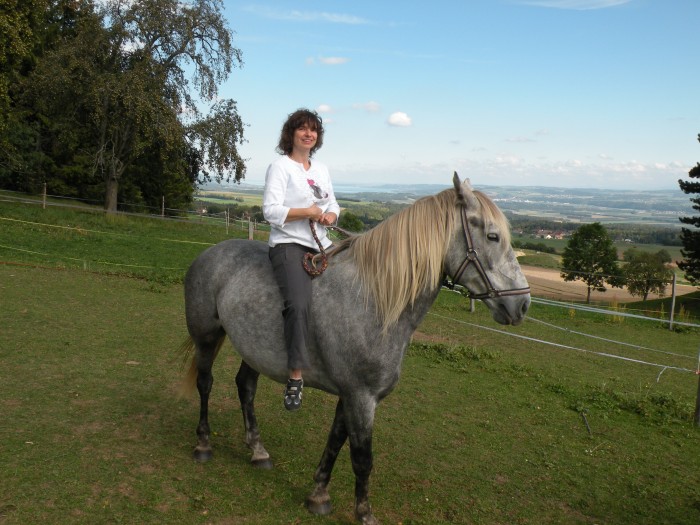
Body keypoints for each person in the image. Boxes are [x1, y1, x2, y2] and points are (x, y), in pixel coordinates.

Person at [262, 109, 340, 411]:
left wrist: (331, 213)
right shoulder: (280, 167)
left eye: (314, 130)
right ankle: (295, 374)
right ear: (291, 134)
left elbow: (331, 201)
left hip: (322, 243)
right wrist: (305, 212)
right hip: (288, 244)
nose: (309, 134)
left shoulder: (320, 169)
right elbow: (270, 211)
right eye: (302, 129)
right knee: (298, 302)